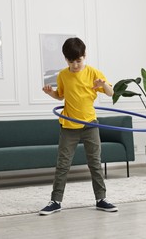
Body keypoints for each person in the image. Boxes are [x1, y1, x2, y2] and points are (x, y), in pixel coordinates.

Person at [39, 37, 117, 215]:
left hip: (90, 124)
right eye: (71, 61)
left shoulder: (93, 73)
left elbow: (111, 93)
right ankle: (56, 201)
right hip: (68, 126)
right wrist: (51, 93)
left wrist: (103, 84)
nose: (75, 65)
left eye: (79, 60)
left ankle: (101, 199)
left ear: (85, 56)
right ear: (65, 59)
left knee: (95, 163)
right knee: (63, 164)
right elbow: (61, 96)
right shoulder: (62, 75)